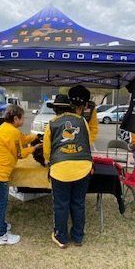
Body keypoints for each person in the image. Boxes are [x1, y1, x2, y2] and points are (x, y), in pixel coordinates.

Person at [0, 105, 41, 245]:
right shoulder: (11, 132)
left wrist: (36, 136)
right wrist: (34, 148)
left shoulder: (5, 128)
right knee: (1, 203)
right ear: (15, 118)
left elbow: (22, 138)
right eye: (23, 118)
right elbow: (20, 154)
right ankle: (2, 236)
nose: (24, 120)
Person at [43, 91, 93, 248]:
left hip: (60, 169)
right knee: (78, 203)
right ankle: (78, 237)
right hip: (83, 167)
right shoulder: (82, 121)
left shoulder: (51, 124)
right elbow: (88, 141)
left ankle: (61, 237)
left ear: (55, 109)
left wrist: (48, 162)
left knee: (61, 204)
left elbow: (46, 150)